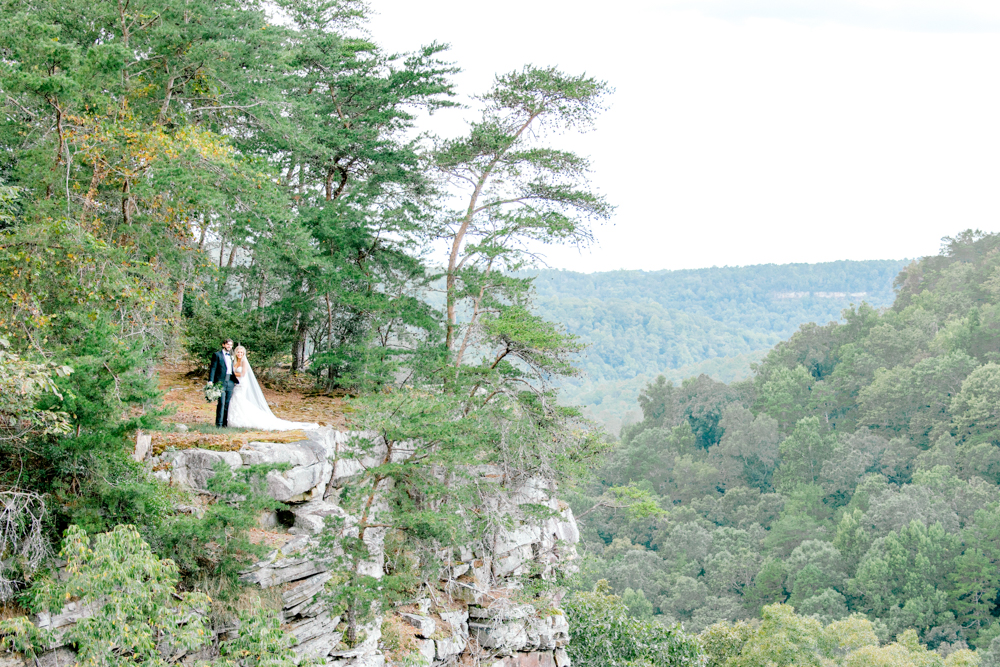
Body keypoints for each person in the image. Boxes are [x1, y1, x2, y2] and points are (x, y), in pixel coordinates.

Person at [226, 345, 319, 431]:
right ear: (236, 352)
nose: (240, 354)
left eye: (241, 352)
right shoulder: (234, 361)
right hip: (236, 384)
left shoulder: (244, 362)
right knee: (236, 400)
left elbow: (242, 374)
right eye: (238, 352)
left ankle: (240, 420)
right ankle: (236, 419)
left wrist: (231, 374)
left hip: (242, 384)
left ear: (244, 354)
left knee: (238, 399)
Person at [208, 338, 237, 428]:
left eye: (231, 345)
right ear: (223, 345)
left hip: (230, 382)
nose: (229, 346)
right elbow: (213, 368)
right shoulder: (217, 355)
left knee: (227, 403)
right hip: (220, 382)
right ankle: (219, 424)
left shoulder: (232, 356)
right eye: (228, 344)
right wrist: (210, 381)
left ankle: (225, 424)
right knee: (221, 402)